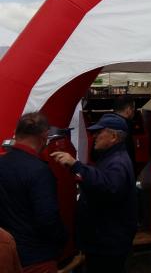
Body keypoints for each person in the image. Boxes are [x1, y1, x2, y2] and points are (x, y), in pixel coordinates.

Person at [51, 114, 136, 273]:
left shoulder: (117, 162)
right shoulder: (111, 157)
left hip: (108, 244)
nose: (94, 136)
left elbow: (109, 187)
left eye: (99, 132)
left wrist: (76, 165)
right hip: (105, 240)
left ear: (114, 137)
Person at [0, 112, 67, 273]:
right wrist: (62, 239)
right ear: (44, 136)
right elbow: (48, 219)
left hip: (6, 255)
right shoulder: (39, 170)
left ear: (16, 133)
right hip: (36, 258)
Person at [113, 95, 136, 165]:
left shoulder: (107, 122)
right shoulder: (125, 127)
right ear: (128, 110)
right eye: (133, 108)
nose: (134, 111)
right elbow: (129, 154)